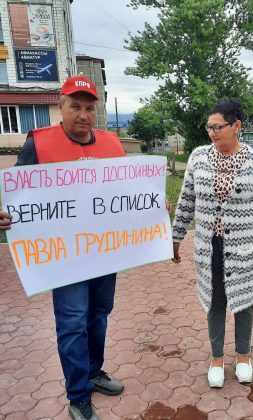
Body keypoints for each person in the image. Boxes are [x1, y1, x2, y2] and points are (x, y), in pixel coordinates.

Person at [1, 76, 126, 420]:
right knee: (72, 324)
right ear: (61, 106)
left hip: (105, 253)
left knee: (99, 316)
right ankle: (78, 395)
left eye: (89, 108)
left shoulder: (113, 144)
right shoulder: (39, 145)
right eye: (75, 106)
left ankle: (93, 372)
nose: (83, 114)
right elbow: (17, 196)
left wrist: (154, 206)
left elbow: (128, 192)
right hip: (64, 258)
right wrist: (6, 215)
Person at [172, 98, 253, 388]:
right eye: (209, 127)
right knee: (215, 301)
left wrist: (245, 226)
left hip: (244, 249)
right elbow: (187, 201)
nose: (212, 133)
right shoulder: (198, 158)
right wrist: (176, 236)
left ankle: (243, 357)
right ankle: (217, 359)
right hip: (209, 247)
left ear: (237, 126)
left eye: (218, 127)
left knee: (244, 302)